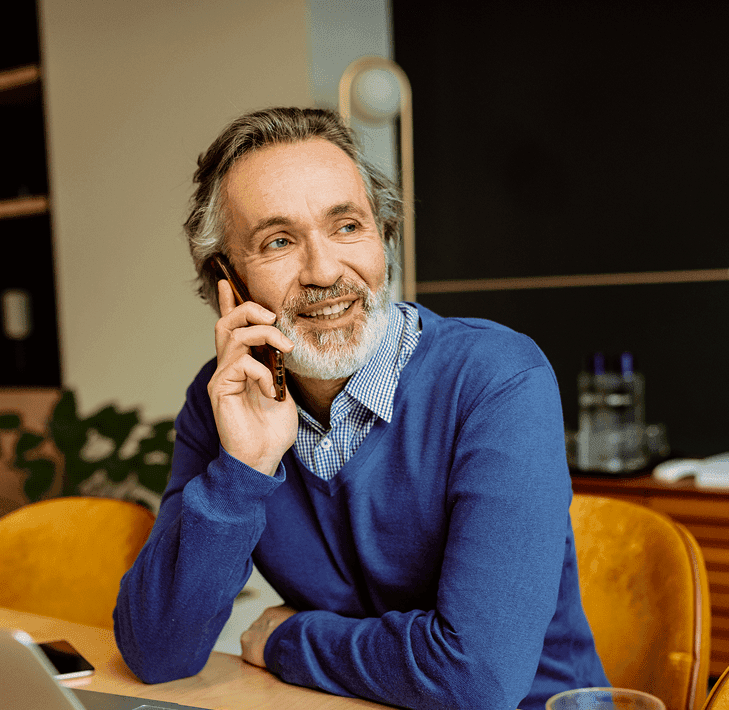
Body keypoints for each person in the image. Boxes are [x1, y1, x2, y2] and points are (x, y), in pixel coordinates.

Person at [113, 107, 608, 710]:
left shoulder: (496, 379)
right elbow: (158, 654)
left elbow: (475, 680)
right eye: (278, 242)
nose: (325, 272)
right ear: (228, 282)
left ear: (384, 237)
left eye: (347, 226)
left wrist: (288, 640)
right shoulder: (224, 400)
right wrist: (244, 468)